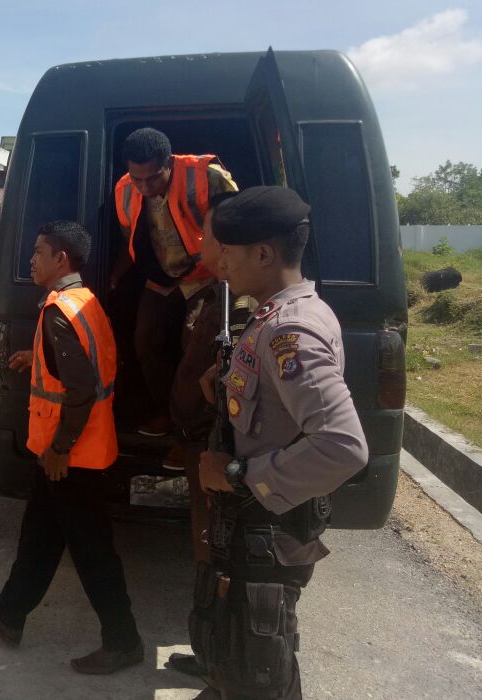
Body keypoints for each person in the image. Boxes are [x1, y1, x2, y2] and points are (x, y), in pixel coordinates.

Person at [183, 186, 369, 699]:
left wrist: (239, 474)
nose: (220, 262)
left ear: (263, 254)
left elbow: (343, 446)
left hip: (268, 525)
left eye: (229, 251)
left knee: (260, 668)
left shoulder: (292, 330)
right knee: (245, 650)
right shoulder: (276, 313)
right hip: (254, 524)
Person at [0, 221, 144, 676]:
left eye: (39, 252)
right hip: (67, 452)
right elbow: (81, 369)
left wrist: (61, 447)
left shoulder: (60, 310)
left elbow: (81, 388)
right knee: (39, 537)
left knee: (92, 550)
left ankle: (124, 642)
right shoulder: (83, 302)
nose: (32, 259)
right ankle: (9, 615)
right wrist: (34, 358)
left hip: (71, 455)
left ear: (60, 259)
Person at [111, 128, 238, 444]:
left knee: (194, 348)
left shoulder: (207, 176)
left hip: (207, 275)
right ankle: (167, 413)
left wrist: (231, 277)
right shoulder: (125, 190)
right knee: (145, 340)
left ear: (169, 162)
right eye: (136, 178)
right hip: (163, 276)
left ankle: (193, 430)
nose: (144, 187)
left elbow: (237, 230)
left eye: (153, 178)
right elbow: (131, 239)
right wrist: (116, 274)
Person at [167, 192, 256, 564]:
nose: (200, 242)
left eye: (205, 233)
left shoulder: (242, 303)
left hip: (222, 446)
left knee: (221, 548)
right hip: (199, 441)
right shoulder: (214, 295)